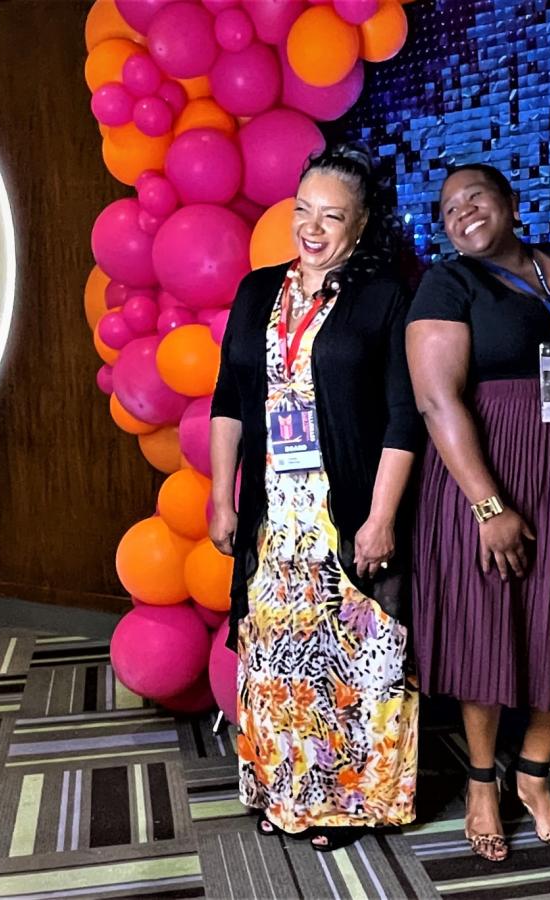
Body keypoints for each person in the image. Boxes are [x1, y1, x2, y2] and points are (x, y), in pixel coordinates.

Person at [406, 164, 550, 862]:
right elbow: (436, 401)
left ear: (511, 202)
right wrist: (488, 504)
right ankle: (482, 782)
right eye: (448, 209)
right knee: (490, 631)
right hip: (488, 479)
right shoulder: (449, 283)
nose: (462, 213)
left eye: (475, 197)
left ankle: (532, 774)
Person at [208, 145, 420, 851]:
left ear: (359, 229)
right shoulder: (254, 291)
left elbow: (402, 416)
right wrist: (220, 497)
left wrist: (383, 516)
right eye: (304, 210)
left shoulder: (384, 296)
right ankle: (283, 790)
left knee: (350, 658)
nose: (313, 228)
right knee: (274, 656)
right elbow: (229, 401)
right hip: (273, 511)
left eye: (333, 217)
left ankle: (347, 804)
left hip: (346, 506)